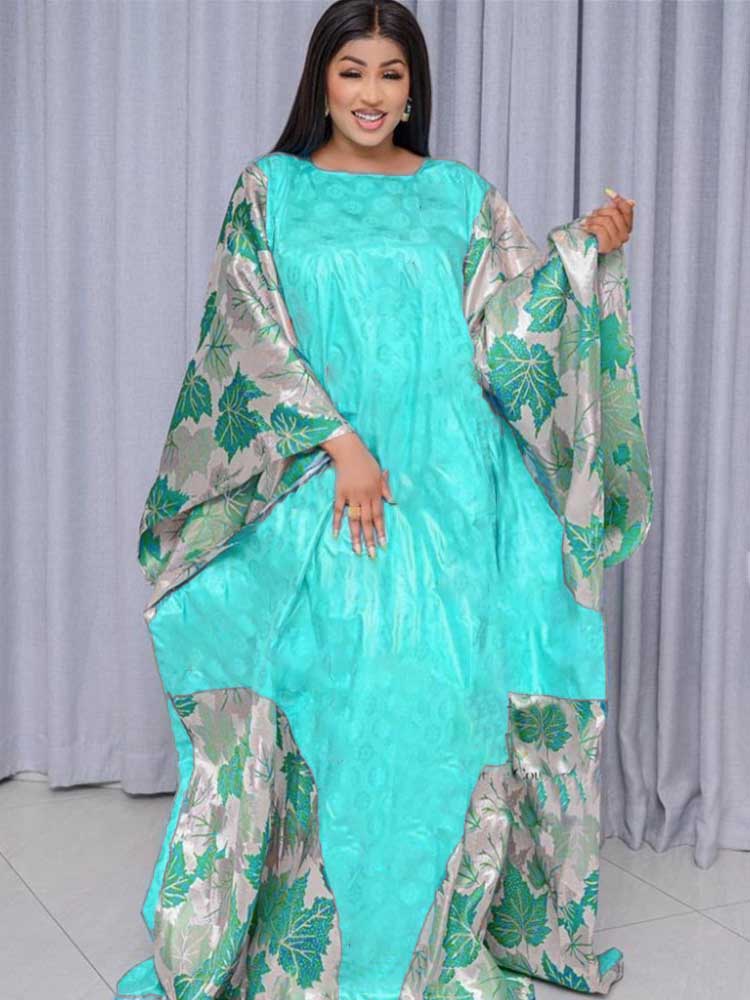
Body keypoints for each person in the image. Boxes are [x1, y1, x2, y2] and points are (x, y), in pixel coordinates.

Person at [114, 2, 653, 998]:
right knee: (339, 695)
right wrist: (342, 443)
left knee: (443, 705)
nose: (371, 93)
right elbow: (246, 328)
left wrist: (582, 252)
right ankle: (323, 949)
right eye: (352, 70)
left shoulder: (459, 196)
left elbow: (507, 334)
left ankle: (430, 946)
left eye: (391, 74)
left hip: (453, 491)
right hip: (329, 484)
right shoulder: (272, 190)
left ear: (414, 90)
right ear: (322, 80)